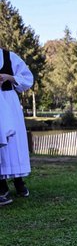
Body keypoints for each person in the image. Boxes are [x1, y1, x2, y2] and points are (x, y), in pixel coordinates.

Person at [0, 47, 34, 206]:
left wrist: (10, 77)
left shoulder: (9, 56)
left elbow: (27, 78)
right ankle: (2, 186)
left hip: (9, 102)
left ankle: (18, 181)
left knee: (13, 143)